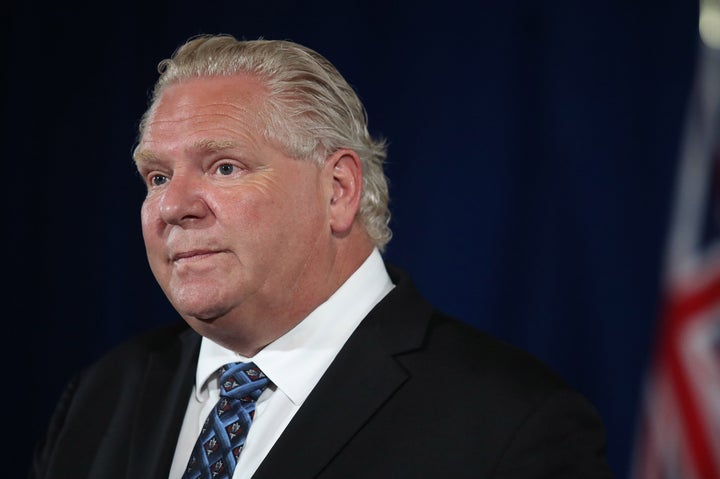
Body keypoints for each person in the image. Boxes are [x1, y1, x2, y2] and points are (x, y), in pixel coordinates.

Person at [29, 34, 613, 479]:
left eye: (224, 167)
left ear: (337, 190)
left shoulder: (513, 427)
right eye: (157, 176)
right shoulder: (101, 396)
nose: (172, 205)